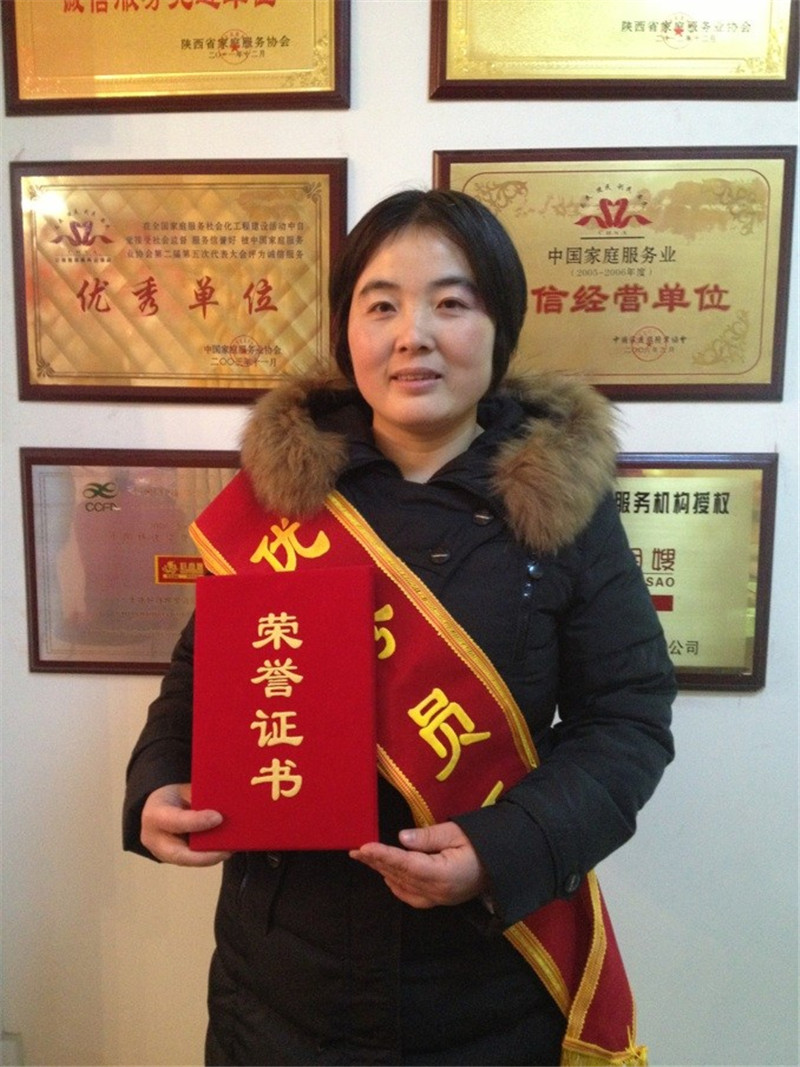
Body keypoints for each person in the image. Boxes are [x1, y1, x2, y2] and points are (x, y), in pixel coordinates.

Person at [123, 189, 675, 1067]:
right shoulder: (279, 499)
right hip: (279, 986)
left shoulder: (566, 510)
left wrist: (504, 849)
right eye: (381, 305)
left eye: (451, 303)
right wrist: (155, 780)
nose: (412, 334)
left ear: (500, 327)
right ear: (348, 329)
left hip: (484, 984)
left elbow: (627, 718)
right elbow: (200, 676)